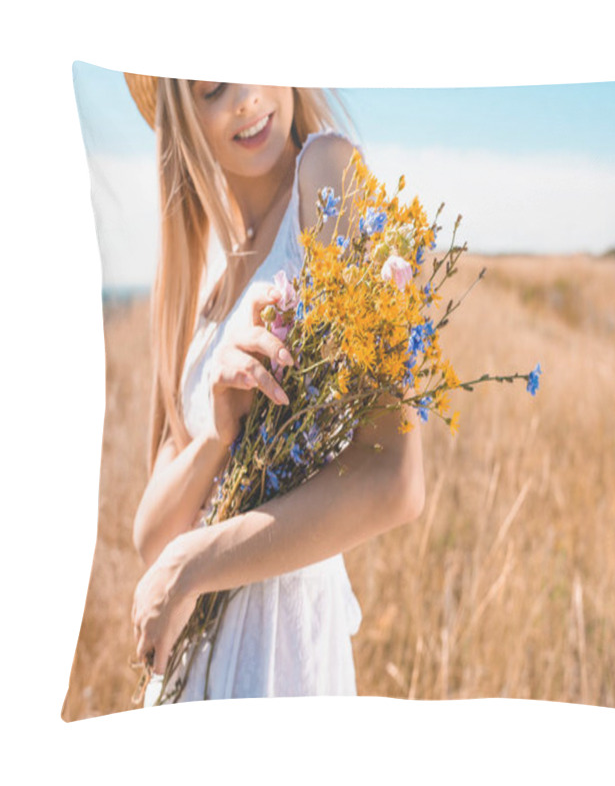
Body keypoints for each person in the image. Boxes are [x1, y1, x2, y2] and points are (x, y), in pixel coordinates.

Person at [125, 75, 426, 705]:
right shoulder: (201, 269)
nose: (246, 98)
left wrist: (190, 569)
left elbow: (396, 482)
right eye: (212, 88)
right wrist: (217, 431)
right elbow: (152, 535)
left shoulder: (328, 172)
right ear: (183, 118)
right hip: (188, 675)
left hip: (282, 662)